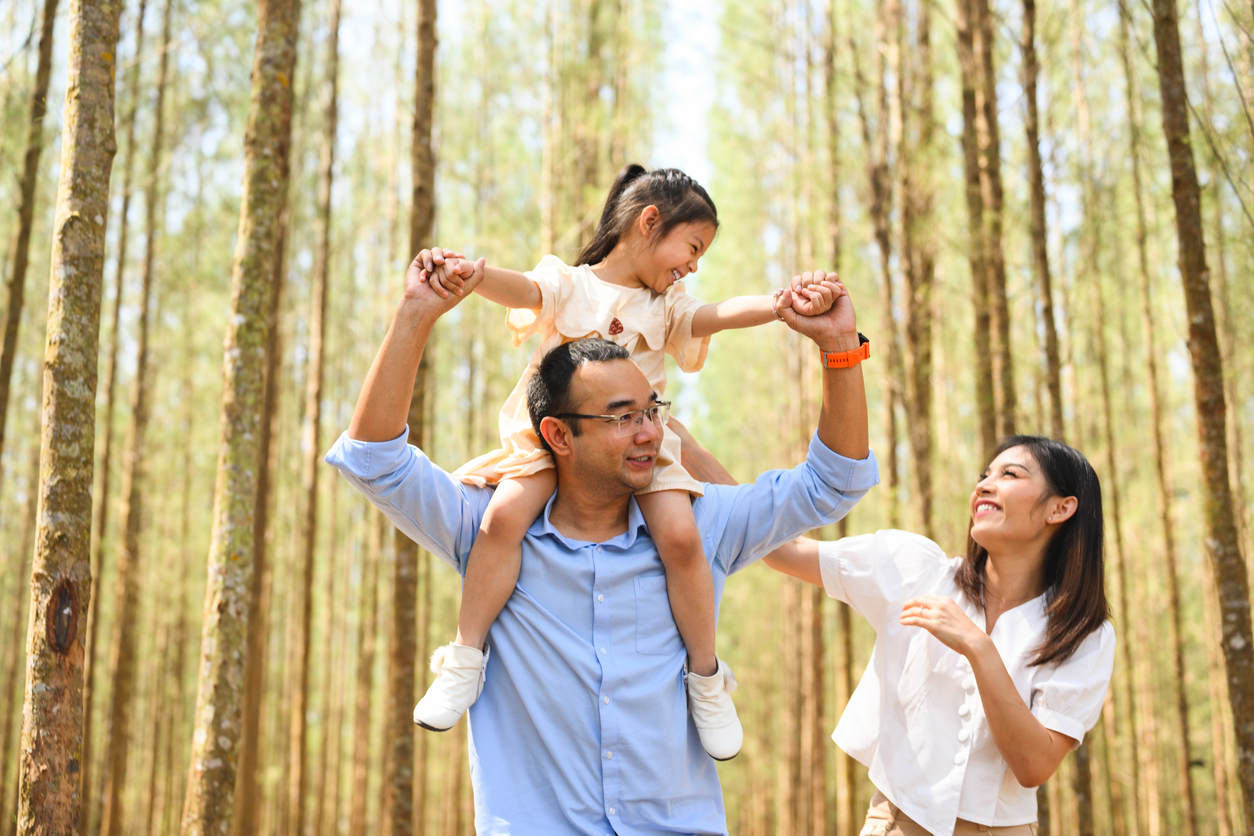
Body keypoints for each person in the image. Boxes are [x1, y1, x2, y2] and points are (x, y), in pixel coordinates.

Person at [324, 248, 878, 834]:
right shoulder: (486, 530)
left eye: (651, 411)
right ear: (557, 435)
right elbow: (374, 461)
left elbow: (831, 484)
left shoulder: (701, 527)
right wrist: (415, 313)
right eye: (621, 418)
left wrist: (840, 349)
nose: (650, 433)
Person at [407, 164, 842, 760]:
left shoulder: (668, 308)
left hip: (644, 445)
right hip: (556, 438)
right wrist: (472, 275)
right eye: (692, 247)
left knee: (683, 540)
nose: (693, 265)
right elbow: (522, 291)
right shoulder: (571, 285)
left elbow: (716, 315)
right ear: (648, 223)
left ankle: (706, 677)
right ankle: (465, 656)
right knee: (502, 521)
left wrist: (779, 304)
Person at [683, 433, 1115, 836]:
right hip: (895, 822)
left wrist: (979, 649)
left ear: (1060, 508)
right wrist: (683, 445)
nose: (985, 485)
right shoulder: (916, 568)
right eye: (984, 475)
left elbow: (1033, 765)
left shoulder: (1083, 634)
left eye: (1010, 475)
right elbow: (782, 549)